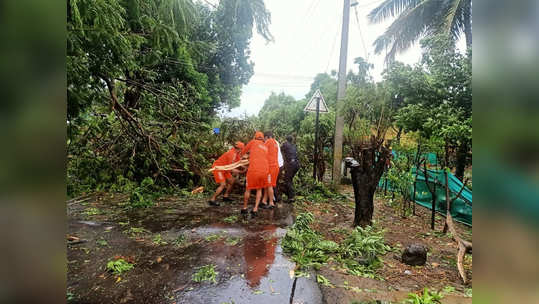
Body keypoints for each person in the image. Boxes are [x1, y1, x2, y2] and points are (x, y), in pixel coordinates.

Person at [241, 131, 270, 216]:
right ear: (262, 138)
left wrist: (243, 157)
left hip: (254, 170)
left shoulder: (253, 142)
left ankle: (245, 208)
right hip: (264, 170)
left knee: (248, 189)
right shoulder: (265, 146)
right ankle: (255, 209)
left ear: (255, 137)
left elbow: (243, 151)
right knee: (259, 189)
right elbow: (261, 156)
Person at [209, 141, 244, 206]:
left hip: (225, 169)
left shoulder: (235, 153)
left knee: (232, 181)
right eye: (242, 149)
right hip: (219, 168)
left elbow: (239, 162)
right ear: (240, 149)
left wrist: (245, 166)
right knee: (223, 184)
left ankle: (225, 196)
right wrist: (241, 172)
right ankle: (212, 200)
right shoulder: (231, 154)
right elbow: (232, 168)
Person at [260, 131, 278, 209]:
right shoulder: (275, 143)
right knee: (268, 184)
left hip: (271, 167)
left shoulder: (269, 141)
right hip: (275, 166)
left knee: (269, 185)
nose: (264, 140)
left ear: (266, 137)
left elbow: (261, 150)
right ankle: (264, 201)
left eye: (264, 138)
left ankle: (271, 203)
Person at [280, 135, 300, 202]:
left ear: (286, 139)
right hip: (297, 164)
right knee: (290, 180)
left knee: (287, 180)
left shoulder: (285, 144)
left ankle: (291, 197)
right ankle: (290, 195)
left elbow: (279, 151)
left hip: (291, 164)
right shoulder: (294, 146)